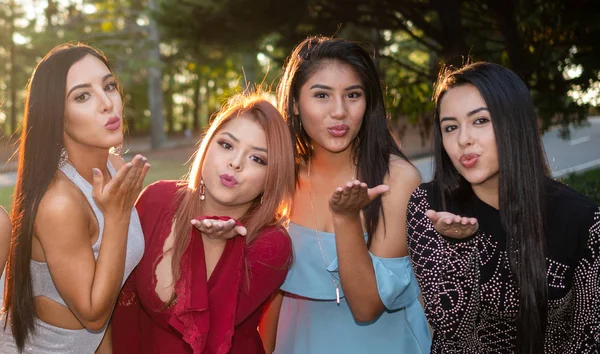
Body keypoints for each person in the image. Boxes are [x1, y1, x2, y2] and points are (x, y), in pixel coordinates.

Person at [405, 61, 600, 353]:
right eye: (450, 127)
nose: (463, 139)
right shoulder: (430, 205)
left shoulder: (582, 219)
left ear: (514, 122)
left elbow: (588, 336)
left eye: (480, 121)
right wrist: (461, 249)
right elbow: (450, 326)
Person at [259, 36, 431, 353]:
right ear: (295, 103)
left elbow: (367, 306)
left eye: (353, 95)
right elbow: (272, 295)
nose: (339, 111)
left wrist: (346, 218)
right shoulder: (278, 177)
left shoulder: (397, 179)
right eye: (321, 95)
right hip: (298, 341)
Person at [111, 93, 296, 354]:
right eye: (227, 145)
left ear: (273, 176)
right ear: (208, 146)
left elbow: (205, 336)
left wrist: (212, 247)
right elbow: (123, 302)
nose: (235, 163)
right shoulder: (157, 200)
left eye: (257, 159)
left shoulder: (272, 245)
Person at [0, 43, 149, 353]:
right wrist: (117, 216)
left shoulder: (115, 167)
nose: (107, 103)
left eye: (109, 86)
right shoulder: (59, 203)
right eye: (83, 96)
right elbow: (93, 314)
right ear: (57, 116)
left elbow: (107, 307)